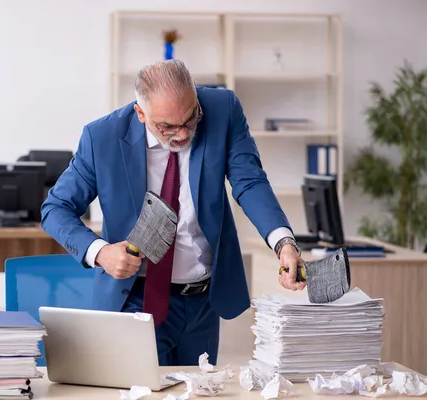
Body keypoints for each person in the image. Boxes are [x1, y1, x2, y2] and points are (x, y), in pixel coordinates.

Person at [40, 59, 306, 367]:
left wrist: (283, 243)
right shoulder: (102, 138)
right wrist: (100, 252)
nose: (181, 135)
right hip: (136, 299)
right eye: (167, 126)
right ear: (141, 114)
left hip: (203, 301)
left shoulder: (223, 109)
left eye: (190, 120)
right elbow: (55, 209)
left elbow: (250, 181)